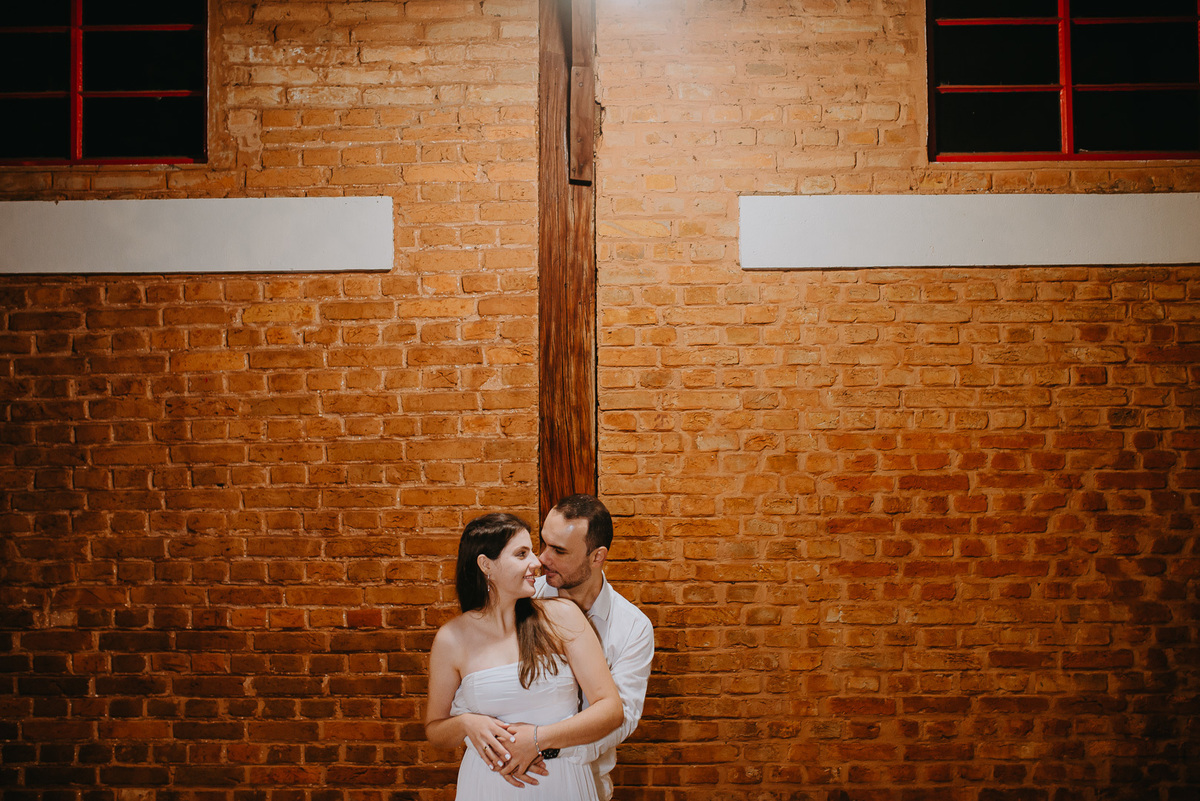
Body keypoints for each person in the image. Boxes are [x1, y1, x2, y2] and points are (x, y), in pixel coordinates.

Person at [425, 512, 624, 800]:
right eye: (522, 554)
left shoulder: (563, 617)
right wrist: (468, 722)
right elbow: (435, 730)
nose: (536, 563)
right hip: (489, 786)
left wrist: (535, 739)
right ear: (486, 565)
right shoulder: (451, 638)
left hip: (563, 781)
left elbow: (611, 710)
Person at [515, 494, 655, 801]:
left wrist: (545, 747)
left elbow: (623, 718)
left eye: (559, 550)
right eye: (544, 543)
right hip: (513, 777)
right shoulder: (519, 603)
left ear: (597, 556)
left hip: (586, 783)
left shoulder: (633, 628)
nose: (541, 559)